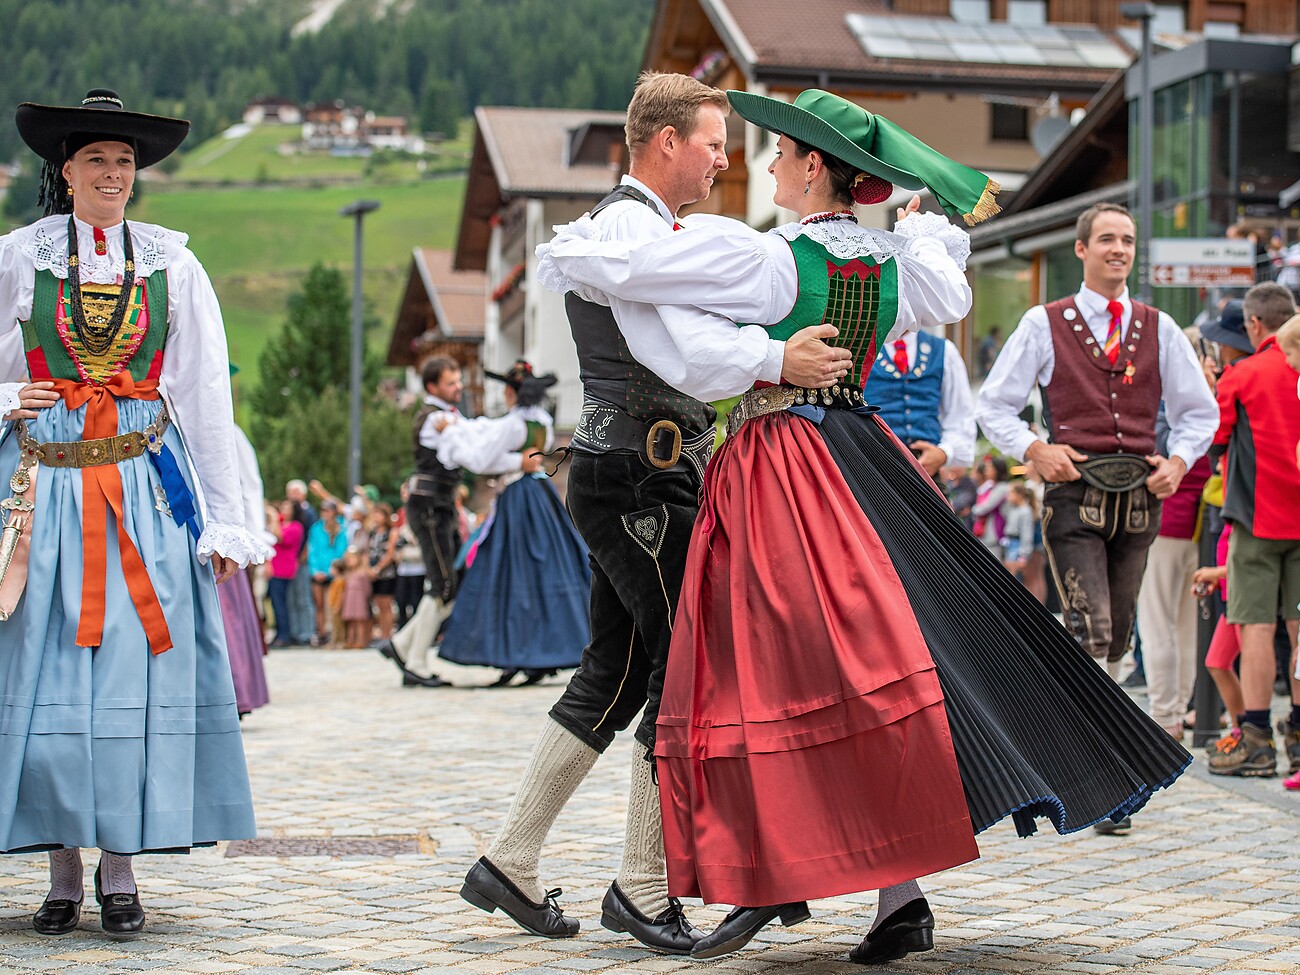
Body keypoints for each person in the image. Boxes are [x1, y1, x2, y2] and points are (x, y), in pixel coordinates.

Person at [538, 87, 1190, 963]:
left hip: (783, 465)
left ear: (814, 167)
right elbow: (948, 288)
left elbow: (644, 275)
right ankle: (898, 896)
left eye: (780, 155)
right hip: (862, 454)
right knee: (886, 664)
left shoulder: (773, 260)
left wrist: (579, 250)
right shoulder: (890, 266)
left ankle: (775, 876)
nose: (770, 166)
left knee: (768, 667)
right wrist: (919, 228)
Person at [459, 72, 852, 956]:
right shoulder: (628, 232)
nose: (724, 161)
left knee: (617, 670)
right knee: (685, 671)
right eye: (713, 142)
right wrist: (775, 358)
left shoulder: (649, 230)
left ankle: (510, 860)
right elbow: (680, 350)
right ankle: (641, 885)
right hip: (642, 472)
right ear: (666, 141)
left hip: (637, 468)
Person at [0, 89, 267, 936]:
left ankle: (119, 870)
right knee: (46, 677)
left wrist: (224, 519)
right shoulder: (18, 257)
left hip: (146, 498)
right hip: (44, 492)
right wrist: (9, 394)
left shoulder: (173, 265)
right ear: (67, 170)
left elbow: (205, 394)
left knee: (128, 675)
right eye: (96, 160)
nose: (112, 173)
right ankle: (61, 871)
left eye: (124, 161)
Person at [975, 202, 1219, 750]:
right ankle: (1095, 751)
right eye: (1107, 239)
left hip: (1139, 499)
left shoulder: (1160, 327)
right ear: (1081, 249)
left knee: (1120, 631)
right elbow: (994, 405)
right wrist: (1035, 449)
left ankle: (1097, 738)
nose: (1119, 250)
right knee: (1092, 628)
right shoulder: (1044, 322)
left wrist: (1178, 462)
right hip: (1074, 495)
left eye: (1127, 240)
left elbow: (1200, 413)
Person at [434, 360, 590, 686]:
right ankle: (544, 652)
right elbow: (503, 440)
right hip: (539, 494)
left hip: (517, 498)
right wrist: (519, 458)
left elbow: (481, 459)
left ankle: (516, 655)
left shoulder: (512, 425)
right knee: (545, 571)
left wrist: (450, 433)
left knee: (509, 572)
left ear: (510, 392)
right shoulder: (543, 422)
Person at [1205, 287, 1300, 778]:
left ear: (1255, 324)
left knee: (1257, 627)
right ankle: (1299, 735)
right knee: (1299, 629)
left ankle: (1257, 740)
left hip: (1257, 519)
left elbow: (1216, 439)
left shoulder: (1242, 375)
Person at [377, 356, 464, 688]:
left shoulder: (445, 416)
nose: (458, 387)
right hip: (429, 505)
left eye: (458, 380)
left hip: (438, 504)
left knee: (449, 583)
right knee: (443, 584)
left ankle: (401, 645)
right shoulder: (434, 419)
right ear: (432, 386)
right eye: (450, 382)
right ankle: (415, 662)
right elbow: (470, 447)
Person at [220, 422, 271, 715]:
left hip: (219, 538)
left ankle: (235, 692)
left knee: (228, 616)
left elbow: (249, 486)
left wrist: (252, 536)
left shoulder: (228, 430)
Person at [306, 499, 347, 645]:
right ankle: (322, 632)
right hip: (318, 572)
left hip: (334, 571)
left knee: (333, 604)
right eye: (323, 510)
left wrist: (331, 571)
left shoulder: (341, 528)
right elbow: (312, 551)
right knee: (319, 605)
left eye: (328, 510)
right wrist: (315, 570)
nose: (325, 513)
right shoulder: (316, 528)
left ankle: (335, 633)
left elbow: (341, 551)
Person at [268, 499, 307, 646]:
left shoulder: (296, 527)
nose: (283, 510)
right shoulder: (281, 524)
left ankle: (284, 635)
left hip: (284, 568)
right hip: (274, 567)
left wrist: (274, 518)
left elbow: (280, 538)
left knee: (281, 603)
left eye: (287, 508)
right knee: (274, 602)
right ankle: (279, 632)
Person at [284, 478, 317, 645]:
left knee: (303, 597)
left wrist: (303, 556)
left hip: (302, 560)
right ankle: (295, 632)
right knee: (291, 598)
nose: (292, 495)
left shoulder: (308, 513)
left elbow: (311, 536)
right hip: (290, 561)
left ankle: (307, 633)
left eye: (295, 492)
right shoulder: (288, 514)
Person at [362, 503, 398, 641]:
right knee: (378, 605)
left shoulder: (391, 532)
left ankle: (387, 635)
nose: (376, 517)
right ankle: (382, 633)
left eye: (379, 514)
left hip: (386, 573)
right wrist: (368, 569)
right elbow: (367, 552)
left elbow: (390, 553)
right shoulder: (372, 533)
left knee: (386, 605)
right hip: (373, 574)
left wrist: (378, 568)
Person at [339, 548, 373, 649]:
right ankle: (350, 640)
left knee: (360, 622)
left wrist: (366, 598)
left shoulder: (362, 573)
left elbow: (367, 588)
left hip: (359, 600)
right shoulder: (347, 574)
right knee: (351, 622)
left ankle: (360, 641)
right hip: (349, 601)